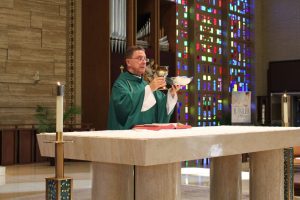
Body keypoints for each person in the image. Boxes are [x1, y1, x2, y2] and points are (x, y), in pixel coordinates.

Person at [108, 46, 180, 130]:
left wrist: (171, 94)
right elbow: (124, 109)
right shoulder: (121, 85)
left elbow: (161, 106)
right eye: (139, 58)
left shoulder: (144, 84)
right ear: (128, 62)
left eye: (145, 59)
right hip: (130, 138)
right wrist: (149, 89)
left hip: (148, 136)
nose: (144, 62)